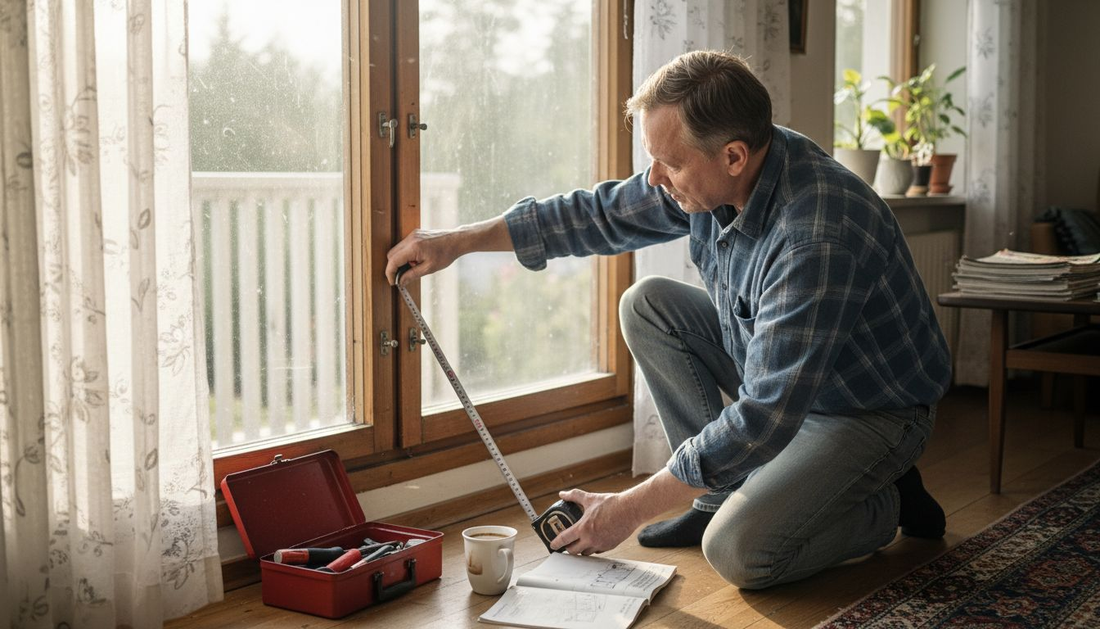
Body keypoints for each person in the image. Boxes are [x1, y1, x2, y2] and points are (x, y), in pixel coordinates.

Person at [385, 50, 952, 589]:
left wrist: (625, 509)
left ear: (733, 155)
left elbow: (765, 415)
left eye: (669, 163)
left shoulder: (815, 235)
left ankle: (886, 501)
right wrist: (458, 241)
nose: (655, 178)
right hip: (786, 380)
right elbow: (599, 214)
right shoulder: (719, 171)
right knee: (648, 303)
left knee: (740, 551)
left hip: (867, 409)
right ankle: (711, 496)